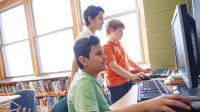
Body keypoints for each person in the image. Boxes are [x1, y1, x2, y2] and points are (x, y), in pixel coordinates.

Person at [68, 36, 191, 112]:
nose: (105, 57)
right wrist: (146, 105)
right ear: (83, 60)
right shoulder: (83, 84)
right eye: (99, 54)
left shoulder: (90, 79)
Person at [103, 19, 151, 103]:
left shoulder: (119, 43)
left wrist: (142, 70)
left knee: (135, 103)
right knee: (121, 108)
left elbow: (127, 59)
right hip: (117, 86)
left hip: (127, 80)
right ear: (111, 30)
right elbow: (114, 66)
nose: (122, 33)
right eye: (120, 30)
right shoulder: (107, 46)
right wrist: (132, 76)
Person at [70, 5, 105, 86]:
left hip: (97, 81)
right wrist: (72, 84)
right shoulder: (84, 36)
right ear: (90, 19)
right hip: (90, 83)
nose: (103, 22)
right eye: (100, 18)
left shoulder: (94, 36)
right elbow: (75, 61)